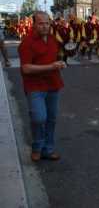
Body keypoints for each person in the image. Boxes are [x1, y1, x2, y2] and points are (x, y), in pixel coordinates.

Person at [18, 11, 65, 162]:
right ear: (34, 24)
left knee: (51, 119)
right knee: (39, 118)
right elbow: (26, 68)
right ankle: (37, 147)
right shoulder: (27, 42)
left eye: (47, 23)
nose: (45, 26)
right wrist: (51, 66)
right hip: (35, 86)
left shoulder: (52, 39)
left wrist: (61, 61)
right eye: (41, 23)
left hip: (53, 84)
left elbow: (57, 56)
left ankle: (48, 149)